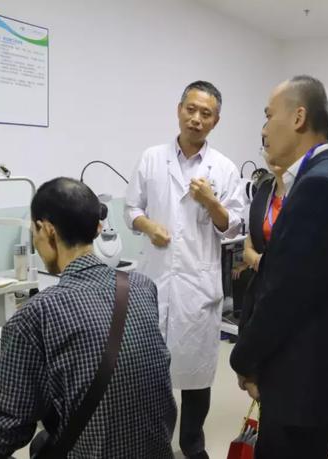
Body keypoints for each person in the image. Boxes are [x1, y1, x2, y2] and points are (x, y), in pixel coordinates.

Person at [0, 177, 176, 458]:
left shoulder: (36, 315)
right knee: (45, 440)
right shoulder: (142, 287)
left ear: (47, 230)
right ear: (98, 227)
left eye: (34, 232)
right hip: (157, 451)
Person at [230, 75, 328, 458]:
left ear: (299, 117)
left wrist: (243, 357)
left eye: (269, 115)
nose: (263, 129)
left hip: (303, 390)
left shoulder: (319, 185)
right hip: (308, 383)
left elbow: (284, 295)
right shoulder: (318, 178)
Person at [124, 80, 244, 458]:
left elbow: (233, 227)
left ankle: (192, 444)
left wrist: (211, 201)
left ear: (215, 121)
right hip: (156, 280)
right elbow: (130, 209)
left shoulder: (223, 168)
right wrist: (148, 226)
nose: (196, 119)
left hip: (197, 285)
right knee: (151, 372)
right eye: (190, 109)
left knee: (197, 374)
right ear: (179, 110)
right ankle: (153, 443)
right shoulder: (151, 158)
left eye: (205, 114)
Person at [230, 158, 286, 326]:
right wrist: (257, 261)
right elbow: (248, 248)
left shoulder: (301, 195)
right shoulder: (264, 195)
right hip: (261, 281)